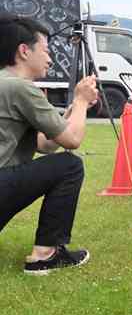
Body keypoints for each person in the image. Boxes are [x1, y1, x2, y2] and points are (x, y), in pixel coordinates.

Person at [0, 15, 98, 274]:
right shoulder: (20, 88)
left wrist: (65, 117)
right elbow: (72, 141)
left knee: (62, 163)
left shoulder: (5, 84)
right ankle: (45, 254)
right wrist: (81, 102)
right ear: (23, 51)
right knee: (70, 166)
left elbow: (44, 144)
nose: (50, 58)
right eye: (45, 50)